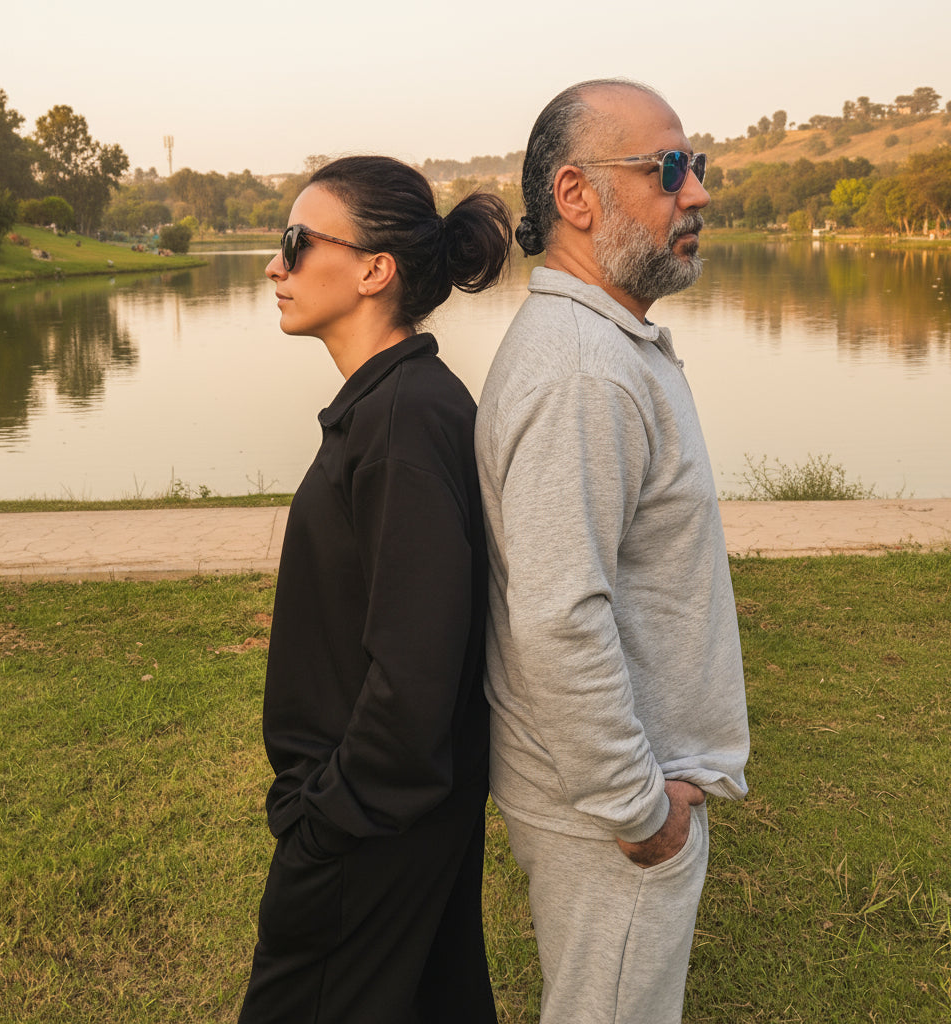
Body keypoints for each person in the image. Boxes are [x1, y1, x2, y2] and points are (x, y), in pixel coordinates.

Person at [474, 79, 751, 1024]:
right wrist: (639, 808)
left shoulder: (599, 344)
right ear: (577, 197)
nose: (698, 193)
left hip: (617, 794)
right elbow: (558, 616)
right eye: (668, 169)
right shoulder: (585, 372)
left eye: (697, 167)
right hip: (615, 814)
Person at [238, 155, 511, 1024]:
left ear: (372, 270)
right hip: (392, 827)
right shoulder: (393, 405)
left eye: (295, 242)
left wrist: (326, 819)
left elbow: (417, 670)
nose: (275, 266)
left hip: (368, 839)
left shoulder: (402, 420)